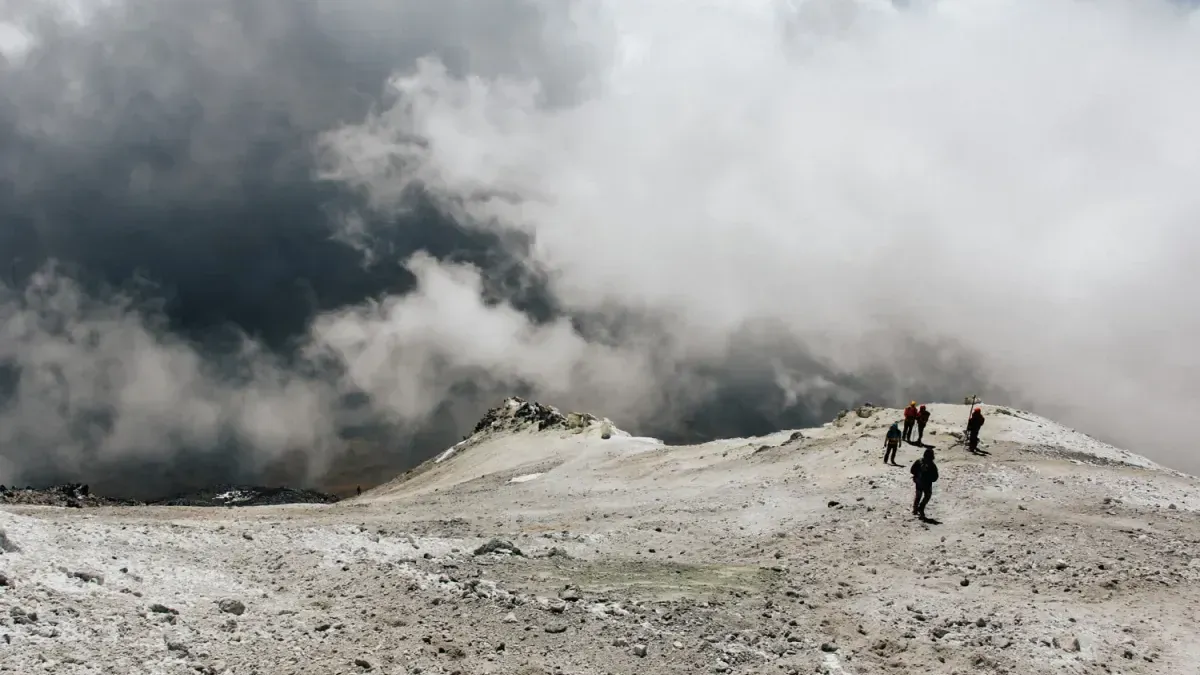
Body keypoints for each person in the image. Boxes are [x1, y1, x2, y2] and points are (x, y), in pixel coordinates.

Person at [911, 447, 938, 519]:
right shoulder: (932, 465)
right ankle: (920, 508)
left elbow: (912, 470)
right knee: (926, 496)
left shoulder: (919, 461)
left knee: (918, 496)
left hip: (919, 482)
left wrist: (916, 476)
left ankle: (916, 509)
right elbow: (935, 477)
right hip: (927, 484)